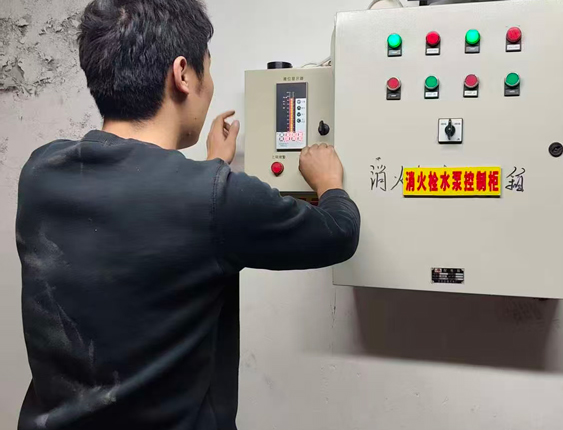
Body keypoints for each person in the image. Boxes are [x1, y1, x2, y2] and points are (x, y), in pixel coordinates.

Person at [15, 0, 360, 429]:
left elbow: (147, 216)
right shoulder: (214, 198)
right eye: (207, 70)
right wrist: (329, 182)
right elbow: (339, 234)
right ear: (182, 74)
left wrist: (212, 167)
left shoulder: (40, 172)